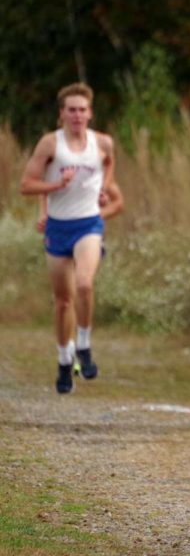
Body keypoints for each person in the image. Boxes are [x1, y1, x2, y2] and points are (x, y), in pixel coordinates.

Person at [20, 82, 116, 394]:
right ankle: (64, 361)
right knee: (63, 301)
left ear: (90, 113)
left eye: (82, 110)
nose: (77, 115)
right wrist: (55, 186)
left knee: (85, 284)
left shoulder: (102, 143)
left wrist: (103, 188)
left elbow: (108, 166)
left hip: (88, 223)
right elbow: (26, 184)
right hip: (57, 228)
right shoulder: (50, 144)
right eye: (71, 110)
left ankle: (84, 346)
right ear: (62, 113)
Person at [35, 179, 125, 377]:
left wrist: (93, 215)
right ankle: (68, 351)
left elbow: (118, 202)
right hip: (59, 234)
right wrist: (43, 214)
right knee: (65, 298)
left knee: (80, 287)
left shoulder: (98, 165)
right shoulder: (57, 162)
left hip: (88, 236)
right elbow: (44, 190)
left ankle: (80, 347)